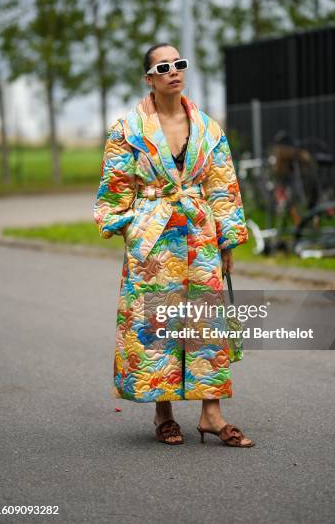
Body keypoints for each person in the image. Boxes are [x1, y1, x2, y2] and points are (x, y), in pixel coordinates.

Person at [93, 42, 254, 447]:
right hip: (154, 237)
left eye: (179, 64)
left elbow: (222, 185)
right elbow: (115, 188)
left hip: (200, 233)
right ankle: (163, 412)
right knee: (156, 323)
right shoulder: (127, 129)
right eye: (163, 66)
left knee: (206, 324)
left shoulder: (208, 128)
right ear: (149, 78)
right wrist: (130, 227)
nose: (173, 71)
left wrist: (227, 240)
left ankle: (211, 414)